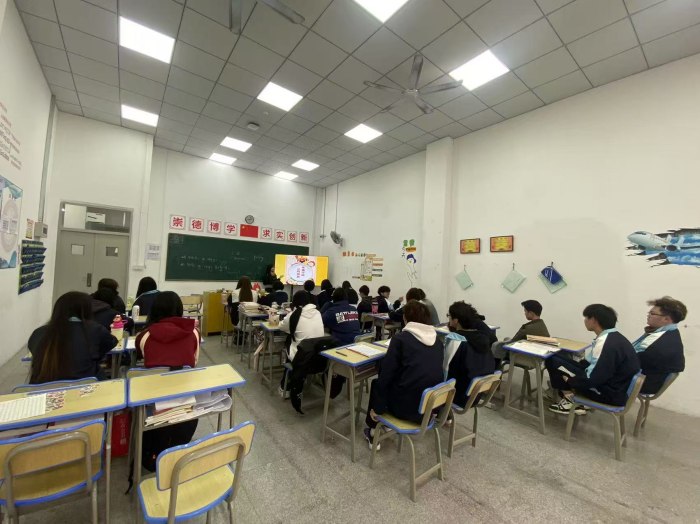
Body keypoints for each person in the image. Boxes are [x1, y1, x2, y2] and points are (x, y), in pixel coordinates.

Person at [134, 291, 199, 475]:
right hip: (185, 404)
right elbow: (193, 364)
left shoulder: (144, 336)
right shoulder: (193, 333)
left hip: (153, 407)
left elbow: (142, 361)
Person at [363, 301, 444, 449]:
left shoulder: (400, 339)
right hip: (429, 407)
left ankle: (374, 430)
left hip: (406, 409)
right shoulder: (438, 342)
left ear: (406, 318)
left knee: (377, 384)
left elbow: (386, 376)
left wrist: (377, 408)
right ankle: (383, 424)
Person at [546, 304, 640, 414]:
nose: (585, 321)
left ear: (594, 320)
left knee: (552, 361)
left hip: (607, 393)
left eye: (586, 317)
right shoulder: (613, 337)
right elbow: (588, 363)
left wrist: (571, 381)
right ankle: (568, 396)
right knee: (554, 357)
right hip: (614, 386)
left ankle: (570, 400)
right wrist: (571, 367)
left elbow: (592, 379)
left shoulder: (606, 343)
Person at [28, 291, 117, 383]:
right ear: (86, 310)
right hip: (84, 385)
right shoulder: (94, 329)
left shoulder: (38, 333)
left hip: (41, 388)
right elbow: (110, 343)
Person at [445, 301, 495, 408]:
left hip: (458, 396)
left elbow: (444, 369)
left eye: (449, 316)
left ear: (456, 320)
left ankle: (440, 415)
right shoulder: (483, 338)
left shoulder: (456, 340)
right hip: (476, 395)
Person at [633, 297, 686, 394]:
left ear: (666, 319)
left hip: (643, 383)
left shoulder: (661, 343)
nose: (648, 315)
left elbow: (631, 362)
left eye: (652, 313)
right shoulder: (667, 332)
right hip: (643, 375)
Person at [136, 291, 200, 369]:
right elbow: (194, 360)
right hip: (186, 376)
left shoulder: (143, 336)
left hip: (154, 376)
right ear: (180, 309)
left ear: (154, 310)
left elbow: (140, 358)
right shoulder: (194, 332)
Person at [492, 300, 550, 367]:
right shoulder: (542, 325)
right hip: (538, 358)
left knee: (497, 346)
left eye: (525, 311)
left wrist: (506, 342)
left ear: (531, 313)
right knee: (506, 339)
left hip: (523, 357)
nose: (524, 313)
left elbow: (512, 343)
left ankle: (495, 370)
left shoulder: (527, 328)